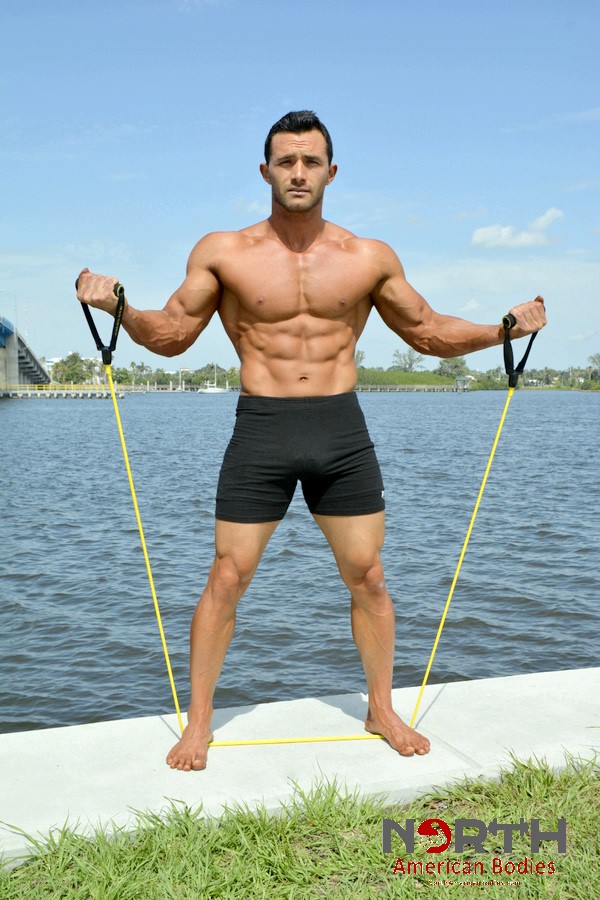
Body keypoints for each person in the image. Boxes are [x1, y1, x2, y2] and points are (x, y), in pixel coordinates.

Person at [76, 110, 547, 771]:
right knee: (226, 576)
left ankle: (381, 709)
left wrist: (503, 330)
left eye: (311, 161)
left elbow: (428, 331)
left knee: (369, 576)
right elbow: (174, 335)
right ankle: (199, 723)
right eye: (286, 161)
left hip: (340, 431)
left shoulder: (368, 257)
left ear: (332, 171)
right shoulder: (224, 252)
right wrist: (120, 307)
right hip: (262, 430)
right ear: (265, 171)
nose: (298, 172)